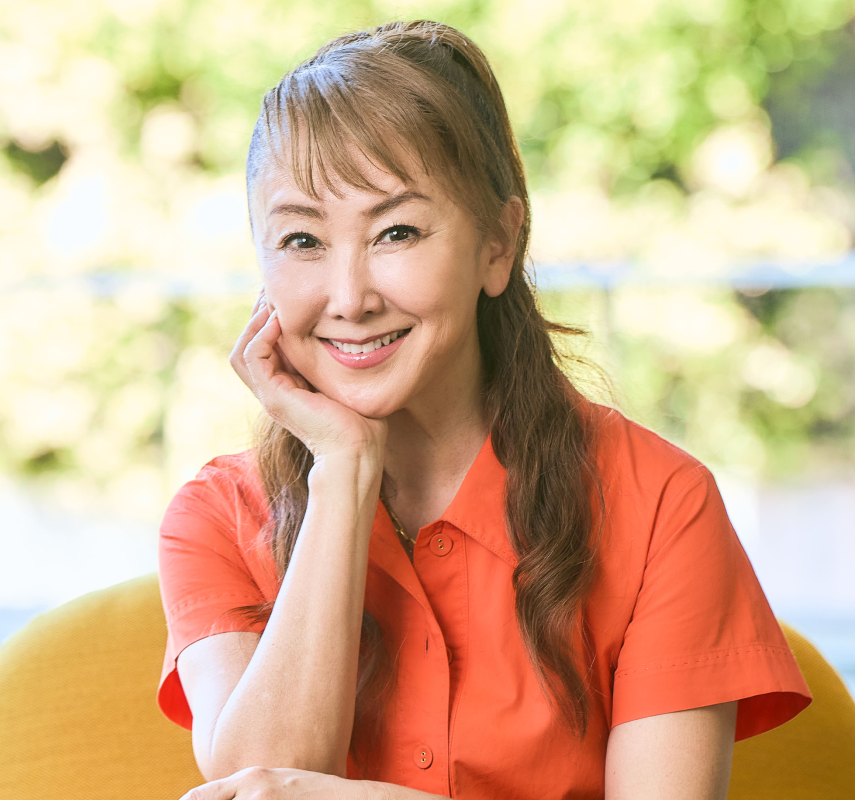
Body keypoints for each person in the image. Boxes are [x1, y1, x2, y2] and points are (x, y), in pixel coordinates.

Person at [157, 19, 811, 800]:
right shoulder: (216, 517)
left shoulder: (661, 506)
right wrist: (344, 470)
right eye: (302, 241)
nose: (349, 298)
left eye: (396, 232)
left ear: (498, 245)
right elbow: (258, 785)